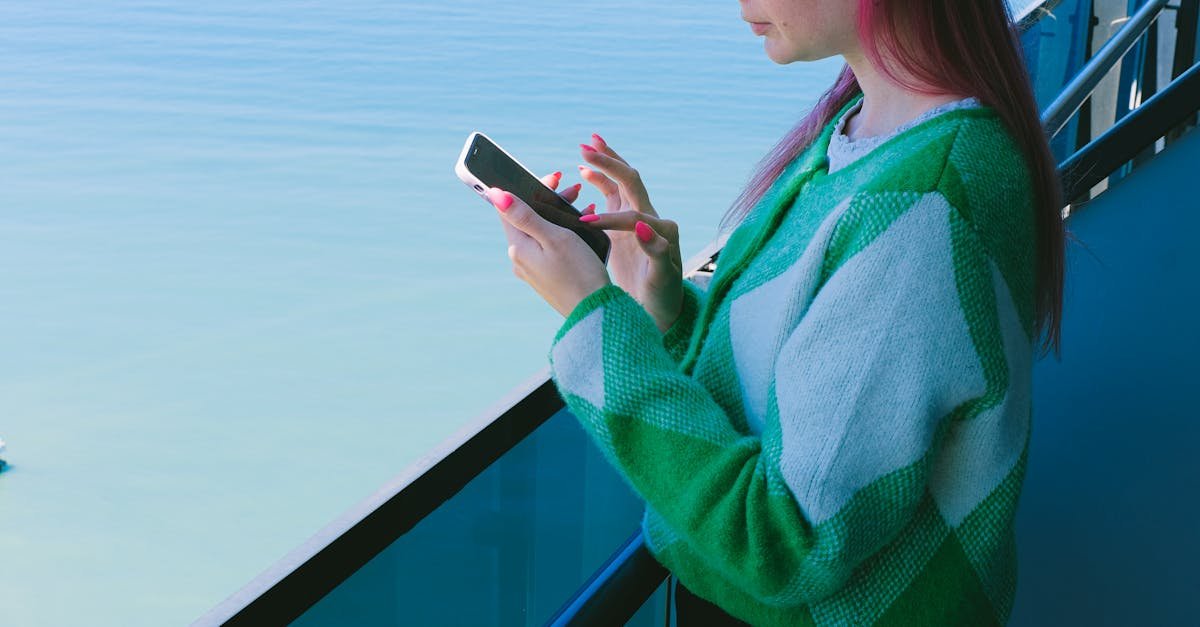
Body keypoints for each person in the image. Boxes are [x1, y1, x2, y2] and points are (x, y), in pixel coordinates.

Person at [484, 0, 1065, 624]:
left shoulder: (923, 202)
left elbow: (786, 544)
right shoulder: (864, 129)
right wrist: (669, 314)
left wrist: (593, 322)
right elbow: (803, 381)